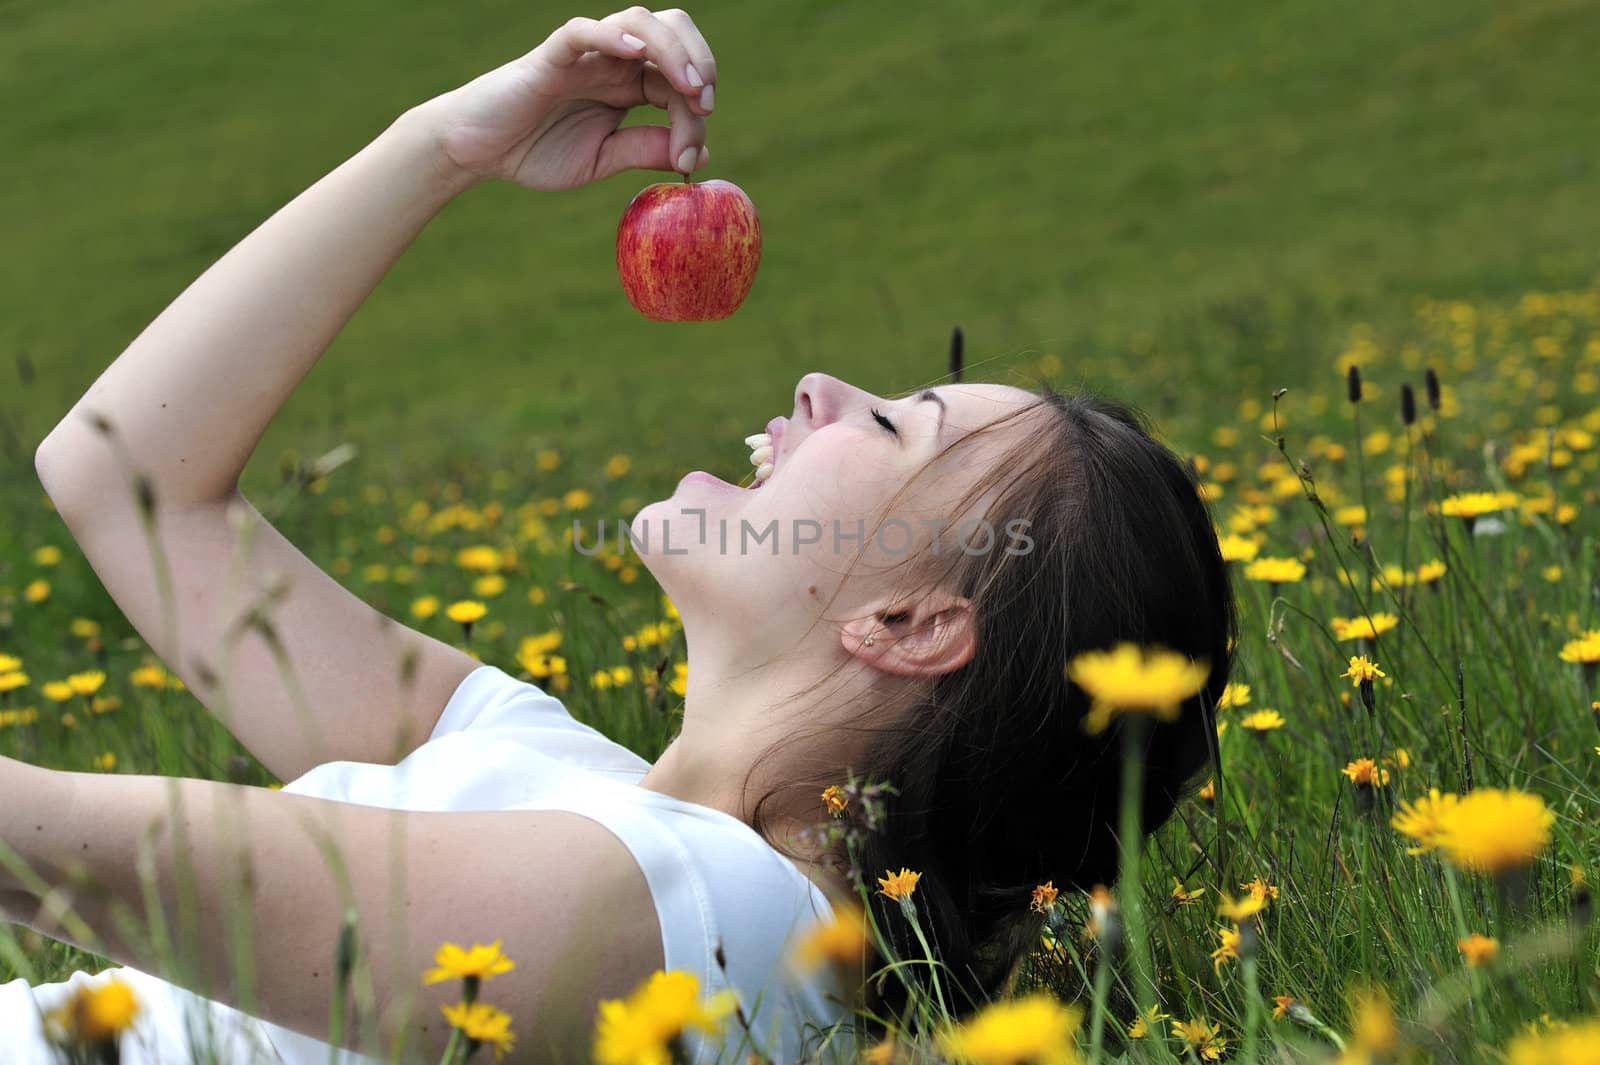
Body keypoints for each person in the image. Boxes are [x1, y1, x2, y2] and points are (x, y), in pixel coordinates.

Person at [4, 5, 1236, 1063]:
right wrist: (439, 147)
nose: (818, 386)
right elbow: (128, 480)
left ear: (910, 625)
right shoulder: (559, 773)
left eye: (891, 422)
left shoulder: (729, 927)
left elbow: (87, 855)